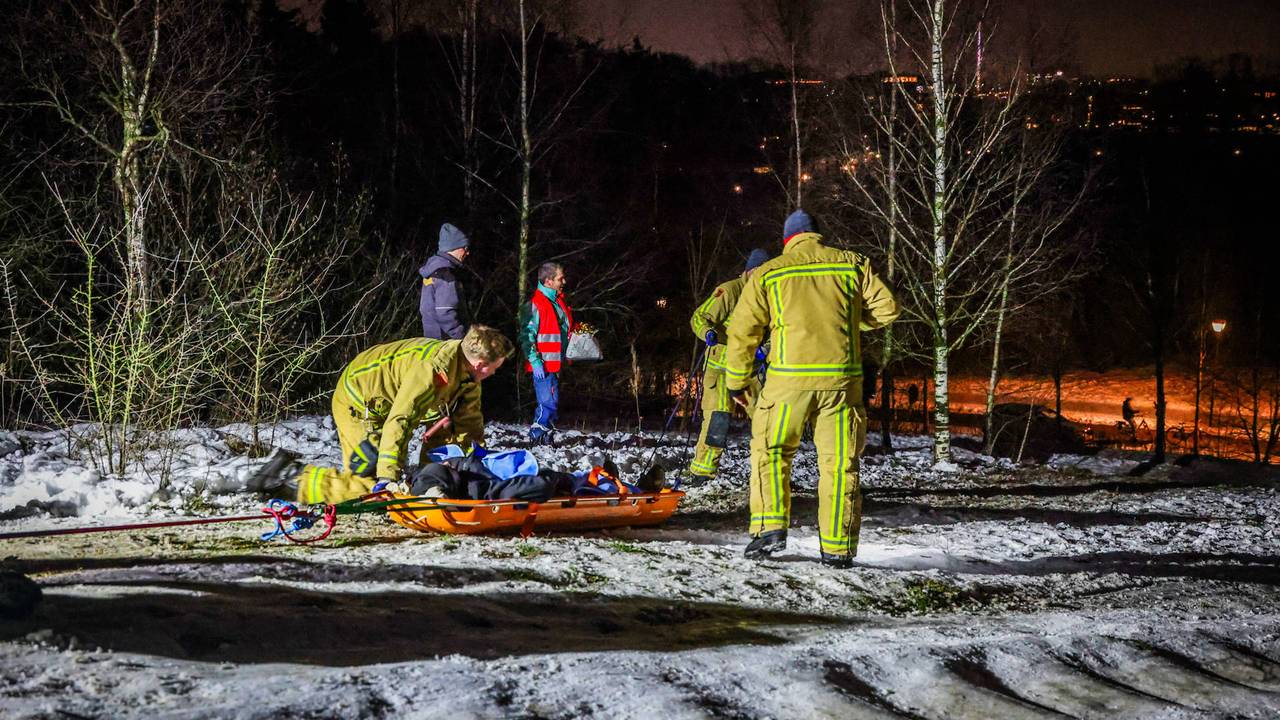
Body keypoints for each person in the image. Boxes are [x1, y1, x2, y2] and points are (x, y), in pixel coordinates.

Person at [723, 209, 899, 569]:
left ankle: (769, 528)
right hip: (841, 384)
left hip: (787, 383)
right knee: (839, 466)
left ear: (788, 241)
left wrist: (737, 381)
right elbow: (888, 309)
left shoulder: (770, 273)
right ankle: (837, 548)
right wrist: (849, 320)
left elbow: (743, 331)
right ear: (818, 235)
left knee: (770, 452)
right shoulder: (852, 264)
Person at [247, 326, 514, 504]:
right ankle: (291, 480)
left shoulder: (468, 374)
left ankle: (425, 488)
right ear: (481, 364)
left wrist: (475, 464)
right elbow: (401, 419)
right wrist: (388, 476)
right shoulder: (433, 369)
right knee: (370, 485)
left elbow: (469, 421)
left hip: (388, 408)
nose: (494, 374)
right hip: (357, 402)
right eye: (495, 368)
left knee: (439, 462)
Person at [686, 248, 770, 483]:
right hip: (721, 369)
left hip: (751, 369)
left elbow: (779, 331)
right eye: (760, 272)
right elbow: (699, 317)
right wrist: (708, 332)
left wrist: (767, 349)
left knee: (767, 418)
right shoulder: (731, 290)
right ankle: (702, 472)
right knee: (718, 419)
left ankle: (770, 472)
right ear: (750, 270)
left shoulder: (771, 296)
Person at [520, 262, 573, 444]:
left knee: (553, 402)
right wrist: (535, 361)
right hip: (544, 364)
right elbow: (527, 336)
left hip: (556, 363)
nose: (563, 281)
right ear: (549, 281)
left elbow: (562, 330)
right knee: (549, 402)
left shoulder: (557, 302)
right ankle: (537, 434)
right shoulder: (535, 304)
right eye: (560, 278)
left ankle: (545, 436)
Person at [419, 223, 471, 340]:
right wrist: (462, 338)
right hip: (446, 341)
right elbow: (446, 313)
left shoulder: (434, 269)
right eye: (465, 248)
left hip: (432, 337)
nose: (467, 253)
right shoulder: (445, 274)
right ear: (454, 248)